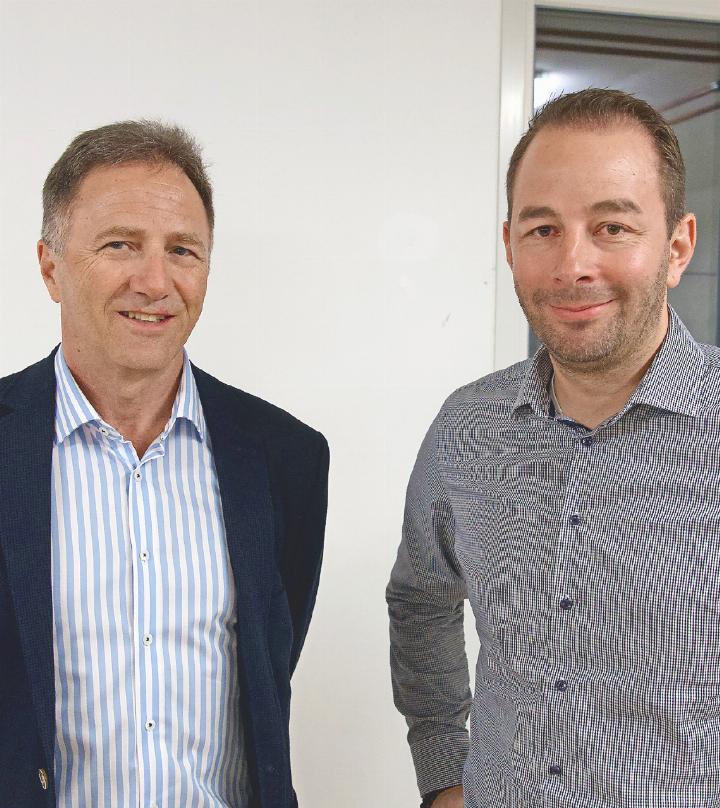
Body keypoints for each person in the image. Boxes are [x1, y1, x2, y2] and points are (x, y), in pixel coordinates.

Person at [387, 87, 720, 807]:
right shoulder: (465, 429)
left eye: (612, 227)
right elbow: (420, 601)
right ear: (509, 244)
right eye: (543, 229)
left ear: (677, 247)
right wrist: (444, 774)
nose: (573, 265)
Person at [0, 121, 329, 808]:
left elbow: (272, 669)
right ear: (49, 265)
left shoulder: (286, 459)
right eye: (120, 244)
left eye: (183, 250)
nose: (156, 281)